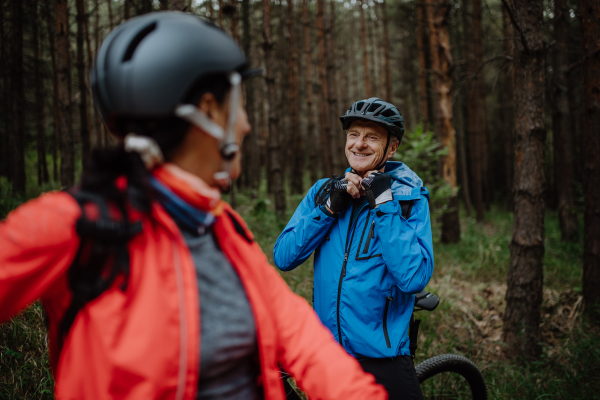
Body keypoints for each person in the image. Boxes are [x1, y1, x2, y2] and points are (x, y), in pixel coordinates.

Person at [0, 13, 388, 400]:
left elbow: (297, 333)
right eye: (240, 107)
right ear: (207, 111)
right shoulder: (73, 223)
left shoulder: (221, 225)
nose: (247, 125)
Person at [274, 98, 434, 400]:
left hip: (380, 355)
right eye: (354, 134)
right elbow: (284, 257)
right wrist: (329, 208)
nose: (359, 144)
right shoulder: (323, 190)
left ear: (392, 148)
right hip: (328, 348)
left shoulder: (410, 198)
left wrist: (385, 204)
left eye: (372, 137)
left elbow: (413, 278)